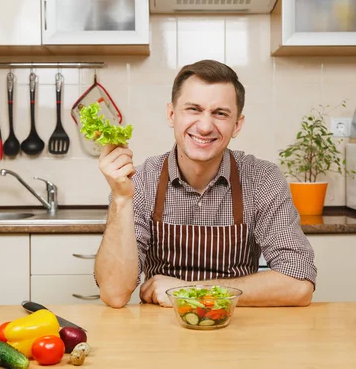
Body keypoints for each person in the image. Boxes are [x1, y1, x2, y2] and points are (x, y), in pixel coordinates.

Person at [94, 59, 316, 309]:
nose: (205, 126)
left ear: (237, 125)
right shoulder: (142, 180)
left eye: (220, 113)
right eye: (193, 109)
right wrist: (122, 199)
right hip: (159, 332)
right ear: (171, 115)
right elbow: (114, 294)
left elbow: (299, 283)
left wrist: (189, 292)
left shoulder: (261, 178)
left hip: (237, 328)